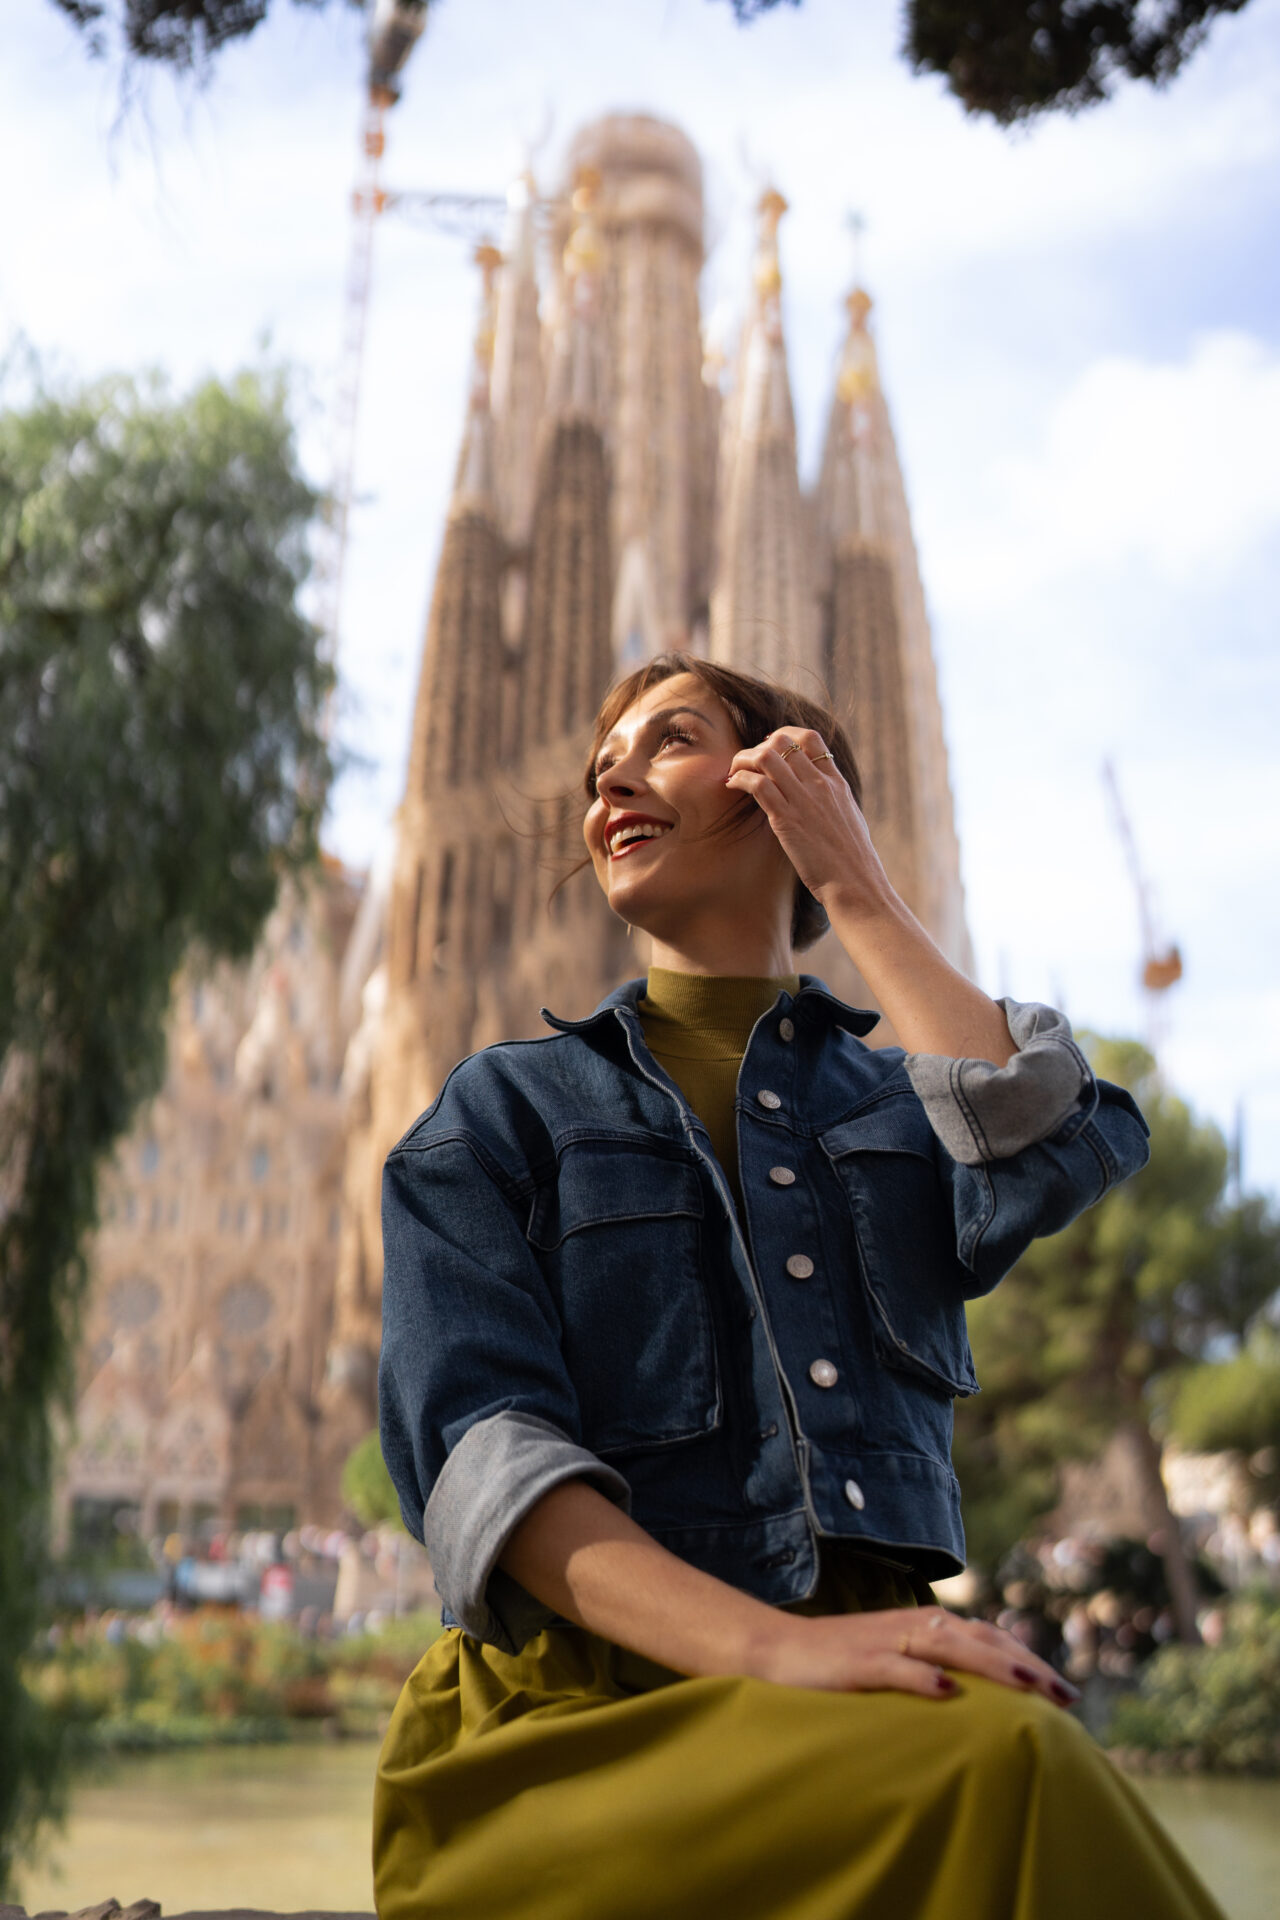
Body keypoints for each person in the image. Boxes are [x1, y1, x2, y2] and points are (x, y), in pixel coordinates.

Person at [373, 654, 1224, 1920]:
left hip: (874, 1678)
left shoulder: (896, 1108)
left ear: (782, 781)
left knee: (1014, 1755)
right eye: (601, 762)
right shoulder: (498, 1115)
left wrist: (854, 881)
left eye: (670, 739)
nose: (611, 774)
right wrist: (781, 1647)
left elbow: (1049, 1142)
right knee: (1019, 1762)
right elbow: (486, 1464)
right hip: (579, 1715)